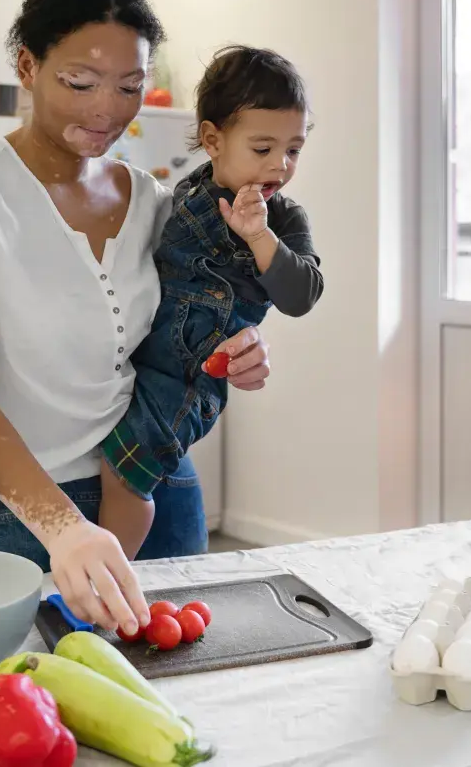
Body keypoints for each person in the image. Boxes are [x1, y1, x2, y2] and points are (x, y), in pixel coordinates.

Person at [0, 0, 272, 637]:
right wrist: (64, 528)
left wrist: (238, 349)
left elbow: (187, 328)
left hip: (157, 486)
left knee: (182, 690)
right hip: (27, 515)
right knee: (31, 693)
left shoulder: (154, 202)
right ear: (28, 66)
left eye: (130, 86)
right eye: (80, 82)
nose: (107, 108)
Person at [98, 46, 322, 559]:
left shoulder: (285, 220)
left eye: (293, 150)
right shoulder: (185, 194)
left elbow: (301, 295)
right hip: (145, 355)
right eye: (263, 148)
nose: (280, 165)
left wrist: (260, 236)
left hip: (191, 375)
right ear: (213, 140)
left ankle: (110, 575)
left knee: (126, 471)